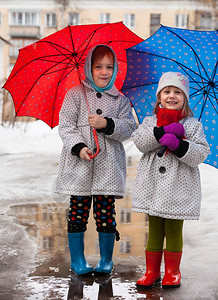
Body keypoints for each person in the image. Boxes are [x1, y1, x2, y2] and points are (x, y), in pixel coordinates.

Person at [55, 45, 136, 276]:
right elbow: (67, 126)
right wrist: (79, 148)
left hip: (108, 169)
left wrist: (107, 124)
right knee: (77, 212)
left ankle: (105, 259)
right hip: (80, 167)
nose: (104, 72)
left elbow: (128, 127)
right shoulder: (75, 94)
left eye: (109, 67)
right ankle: (78, 260)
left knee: (105, 213)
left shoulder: (120, 99)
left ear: (115, 69)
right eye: (98, 66)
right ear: (89, 68)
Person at [132, 72, 210, 288]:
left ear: (185, 98)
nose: (172, 96)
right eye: (167, 91)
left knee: (174, 229)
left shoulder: (193, 125)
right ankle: (152, 271)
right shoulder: (150, 121)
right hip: (153, 187)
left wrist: (180, 146)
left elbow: (202, 153)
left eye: (178, 92)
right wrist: (161, 132)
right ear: (159, 97)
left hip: (179, 187)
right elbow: (139, 142)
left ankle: (173, 272)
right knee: (155, 229)